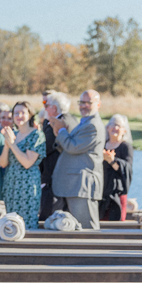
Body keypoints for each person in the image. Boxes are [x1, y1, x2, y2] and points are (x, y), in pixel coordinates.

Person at [47, 90, 105, 229]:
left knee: (87, 229)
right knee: (78, 230)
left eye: (88, 103)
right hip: (75, 186)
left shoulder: (93, 126)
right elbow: (70, 148)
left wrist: (61, 131)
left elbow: (72, 147)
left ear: (98, 104)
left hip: (82, 186)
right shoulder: (84, 123)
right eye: (81, 102)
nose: (84, 106)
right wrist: (59, 133)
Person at [0, 102, 46, 229]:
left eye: (22, 113)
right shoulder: (13, 134)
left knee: (27, 221)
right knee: (11, 222)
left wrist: (12, 144)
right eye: (16, 113)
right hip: (11, 182)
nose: (19, 116)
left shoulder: (36, 135)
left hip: (27, 184)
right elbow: (3, 163)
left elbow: (27, 162)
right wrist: (7, 144)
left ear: (30, 115)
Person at [40, 92, 77, 220]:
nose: (44, 108)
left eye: (46, 104)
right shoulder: (73, 120)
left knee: (48, 218)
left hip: (54, 178)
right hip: (69, 179)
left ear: (54, 108)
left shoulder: (56, 123)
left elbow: (44, 149)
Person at [100, 114, 133, 222]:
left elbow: (127, 169)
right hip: (101, 191)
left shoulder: (125, 147)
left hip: (117, 193)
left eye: (119, 126)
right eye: (113, 125)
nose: (115, 128)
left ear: (124, 131)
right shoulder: (101, 145)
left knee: (116, 222)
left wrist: (112, 161)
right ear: (107, 128)